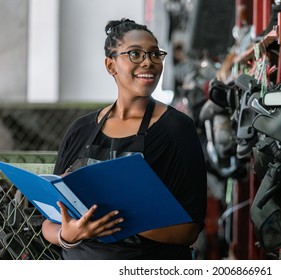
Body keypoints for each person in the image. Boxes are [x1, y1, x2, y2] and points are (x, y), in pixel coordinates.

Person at [41, 18, 207, 260]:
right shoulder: (81, 129)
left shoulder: (176, 129)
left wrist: (118, 220)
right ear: (111, 65)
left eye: (155, 54)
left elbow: (188, 231)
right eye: (135, 54)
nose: (148, 62)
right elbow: (50, 223)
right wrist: (69, 235)